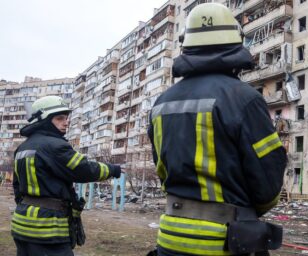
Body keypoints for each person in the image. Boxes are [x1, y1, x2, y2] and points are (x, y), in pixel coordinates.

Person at [147, 3, 287, 256]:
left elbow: (161, 168)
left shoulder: (162, 103)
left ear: (186, 45)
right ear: (235, 42)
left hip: (170, 238)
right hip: (225, 240)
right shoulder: (245, 98)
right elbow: (268, 180)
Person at [12, 95, 122, 256]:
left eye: (66, 117)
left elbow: (17, 186)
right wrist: (112, 169)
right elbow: (83, 169)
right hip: (47, 230)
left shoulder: (22, 148)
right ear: (45, 120)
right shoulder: (55, 146)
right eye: (59, 118)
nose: (66, 122)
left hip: (21, 225)